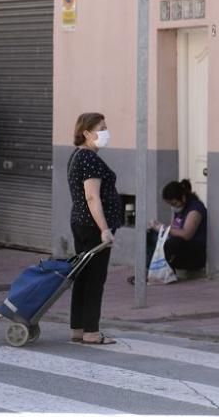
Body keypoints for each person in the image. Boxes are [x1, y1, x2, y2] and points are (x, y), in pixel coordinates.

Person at [66, 112, 122, 344]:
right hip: (92, 227)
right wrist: (104, 229)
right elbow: (92, 197)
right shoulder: (89, 159)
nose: (105, 132)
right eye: (101, 128)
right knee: (94, 279)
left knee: (83, 277)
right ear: (87, 133)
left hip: (81, 223)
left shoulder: (77, 156)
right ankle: (91, 332)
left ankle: (78, 328)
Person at [148, 179, 207, 274]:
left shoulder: (195, 209)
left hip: (194, 252)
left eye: (174, 203)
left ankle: (163, 270)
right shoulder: (179, 208)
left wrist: (163, 228)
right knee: (151, 235)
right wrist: (157, 227)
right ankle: (150, 268)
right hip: (181, 247)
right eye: (170, 204)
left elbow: (186, 234)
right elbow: (174, 228)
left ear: (183, 198)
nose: (173, 207)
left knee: (173, 243)